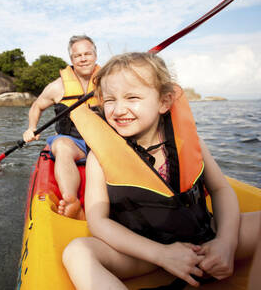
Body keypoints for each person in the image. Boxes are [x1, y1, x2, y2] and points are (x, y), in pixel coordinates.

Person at [62, 52, 261, 289]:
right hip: (145, 254)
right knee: (77, 252)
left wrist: (225, 243)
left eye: (132, 97)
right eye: (110, 100)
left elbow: (220, 190)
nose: (118, 109)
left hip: (203, 242)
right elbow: (98, 222)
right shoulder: (99, 157)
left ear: (164, 102)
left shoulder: (189, 142)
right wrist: (161, 254)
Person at [23, 35, 101, 220]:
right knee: (61, 146)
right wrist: (31, 127)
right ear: (71, 59)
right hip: (74, 143)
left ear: (95, 55)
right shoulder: (57, 87)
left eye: (87, 54)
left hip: (102, 142)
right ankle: (71, 200)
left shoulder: (111, 81)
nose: (83, 59)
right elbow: (37, 106)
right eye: (77, 55)